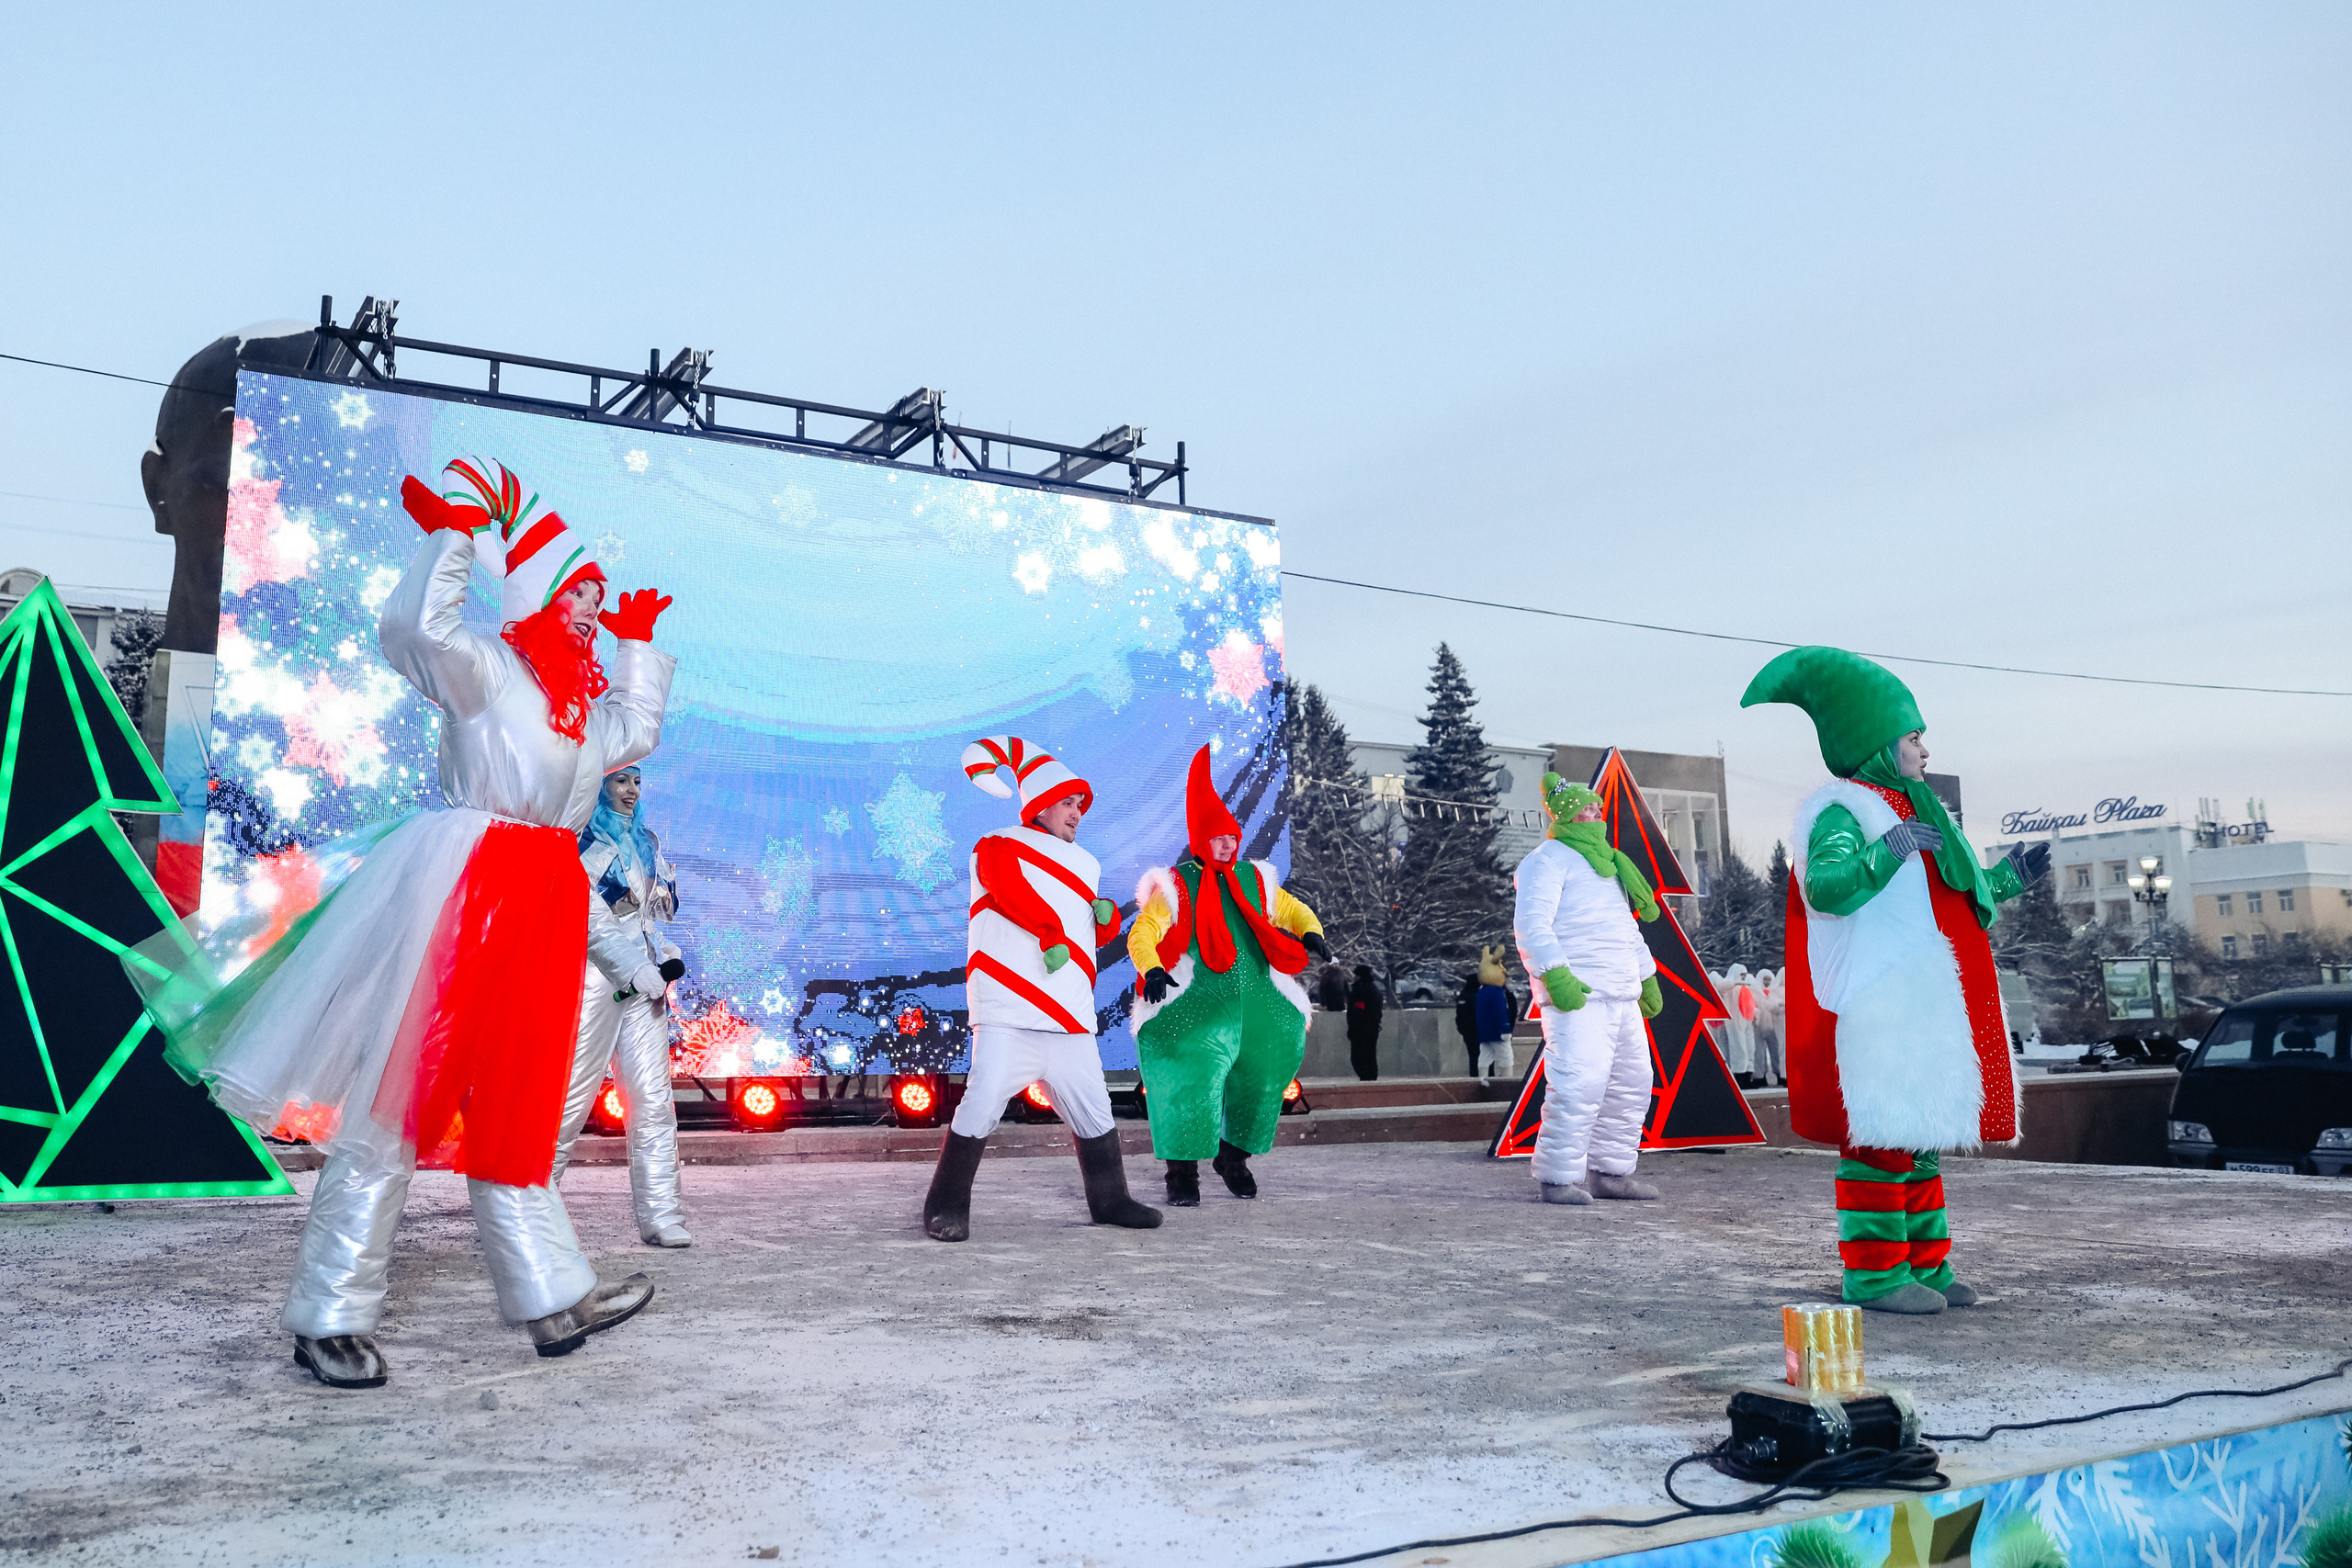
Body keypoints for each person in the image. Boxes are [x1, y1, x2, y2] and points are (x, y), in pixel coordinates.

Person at [136, 457, 677, 1387]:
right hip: (471, 887)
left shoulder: (581, 709)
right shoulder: (486, 671)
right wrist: (457, 535)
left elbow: (636, 732)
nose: (590, 609)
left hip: (547, 895)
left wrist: (633, 651)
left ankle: (553, 1296)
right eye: (579, 596)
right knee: (402, 1098)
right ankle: (329, 1314)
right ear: (537, 599)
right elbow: (411, 626)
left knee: (520, 1106)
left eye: (598, 597)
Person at [1742, 647, 2050, 1314]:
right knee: (1881, 1143)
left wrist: (2012, 878)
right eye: (1913, 736)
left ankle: (1928, 1267)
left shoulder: (1920, 810)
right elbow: (1826, 887)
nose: (1924, 749)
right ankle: (1876, 1275)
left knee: (1922, 1145)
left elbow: (1955, 892)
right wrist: (1888, 849)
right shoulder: (1844, 812)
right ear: (1876, 739)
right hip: (1880, 1005)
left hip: (1930, 1003)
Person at [922, 738, 1160, 1241]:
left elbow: (1087, 934)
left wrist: (1104, 918)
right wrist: (1050, 927)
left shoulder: (1087, 865)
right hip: (1010, 1011)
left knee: (1095, 1110)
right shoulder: (997, 843)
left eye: (1080, 805)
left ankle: (1110, 1198)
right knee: (983, 1101)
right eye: (1070, 802)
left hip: (1071, 1019)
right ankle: (945, 1205)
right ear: (1043, 803)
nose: (1078, 813)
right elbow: (1005, 886)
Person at [1129, 745, 1330, 1203]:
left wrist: (1311, 931)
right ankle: (1182, 1174)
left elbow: (1292, 910)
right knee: (1189, 1072)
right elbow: (1145, 931)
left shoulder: (1254, 879)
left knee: (1272, 1060)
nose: (1228, 844)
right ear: (1202, 839)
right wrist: (1154, 967)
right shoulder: (1177, 884)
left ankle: (1233, 1155)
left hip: (1258, 997)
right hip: (1202, 996)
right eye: (1219, 838)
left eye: (1232, 836)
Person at [549, 764, 692, 1248]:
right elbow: (587, 923)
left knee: (653, 1100)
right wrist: (630, 964)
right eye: (620, 781)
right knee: (568, 1099)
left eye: (637, 781)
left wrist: (661, 948)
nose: (631, 791)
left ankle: (662, 1214)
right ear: (597, 784)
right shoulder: (575, 843)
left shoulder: (646, 841)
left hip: (646, 986)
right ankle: (530, 1206)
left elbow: (652, 912)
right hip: (593, 983)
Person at [1513, 773, 1665, 1205]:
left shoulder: (1609, 864)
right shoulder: (1546, 861)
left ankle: (1612, 1174)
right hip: (1578, 994)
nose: (1596, 813)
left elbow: (1625, 930)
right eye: (1586, 807)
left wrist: (1646, 975)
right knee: (1579, 1084)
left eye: (1597, 807)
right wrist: (1554, 975)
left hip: (1620, 994)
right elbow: (1531, 925)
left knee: (1632, 1083)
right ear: (1563, 814)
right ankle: (1558, 1179)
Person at [1475, 945, 1518, 1078]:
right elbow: (1500, 1011)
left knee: (1485, 1055)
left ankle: (1482, 1078)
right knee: (1506, 1057)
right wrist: (1505, 1028)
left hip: (1484, 1032)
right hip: (1498, 1032)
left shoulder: (1480, 992)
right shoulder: (1497, 993)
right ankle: (1506, 1080)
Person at [1722, 963, 1759, 1088]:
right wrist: (1734, 983)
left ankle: (1748, 1076)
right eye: (1741, 974)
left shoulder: (1746, 987)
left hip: (1747, 1020)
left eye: (1745, 975)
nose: (1743, 977)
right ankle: (1739, 1077)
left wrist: (1755, 1014)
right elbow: (1719, 988)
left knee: (1749, 1047)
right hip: (1734, 1020)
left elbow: (1752, 1003)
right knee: (1739, 1048)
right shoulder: (1728, 985)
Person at [1348, 965, 1386, 1081]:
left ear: (1359, 976)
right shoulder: (1373, 988)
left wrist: (1354, 1028)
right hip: (1371, 1028)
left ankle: (1367, 1080)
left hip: (1361, 1030)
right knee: (1369, 1056)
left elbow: (1358, 1010)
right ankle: (1370, 1080)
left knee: (1359, 1057)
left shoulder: (1361, 990)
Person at [1753, 967, 1786, 1087]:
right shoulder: (1755, 993)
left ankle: (1779, 1074)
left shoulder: (1775, 991)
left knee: (1776, 1052)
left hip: (1774, 1028)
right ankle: (1759, 1076)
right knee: (1759, 1053)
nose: (1767, 982)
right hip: (1759, 1027)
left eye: (1769, 979)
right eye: (1764, 979)